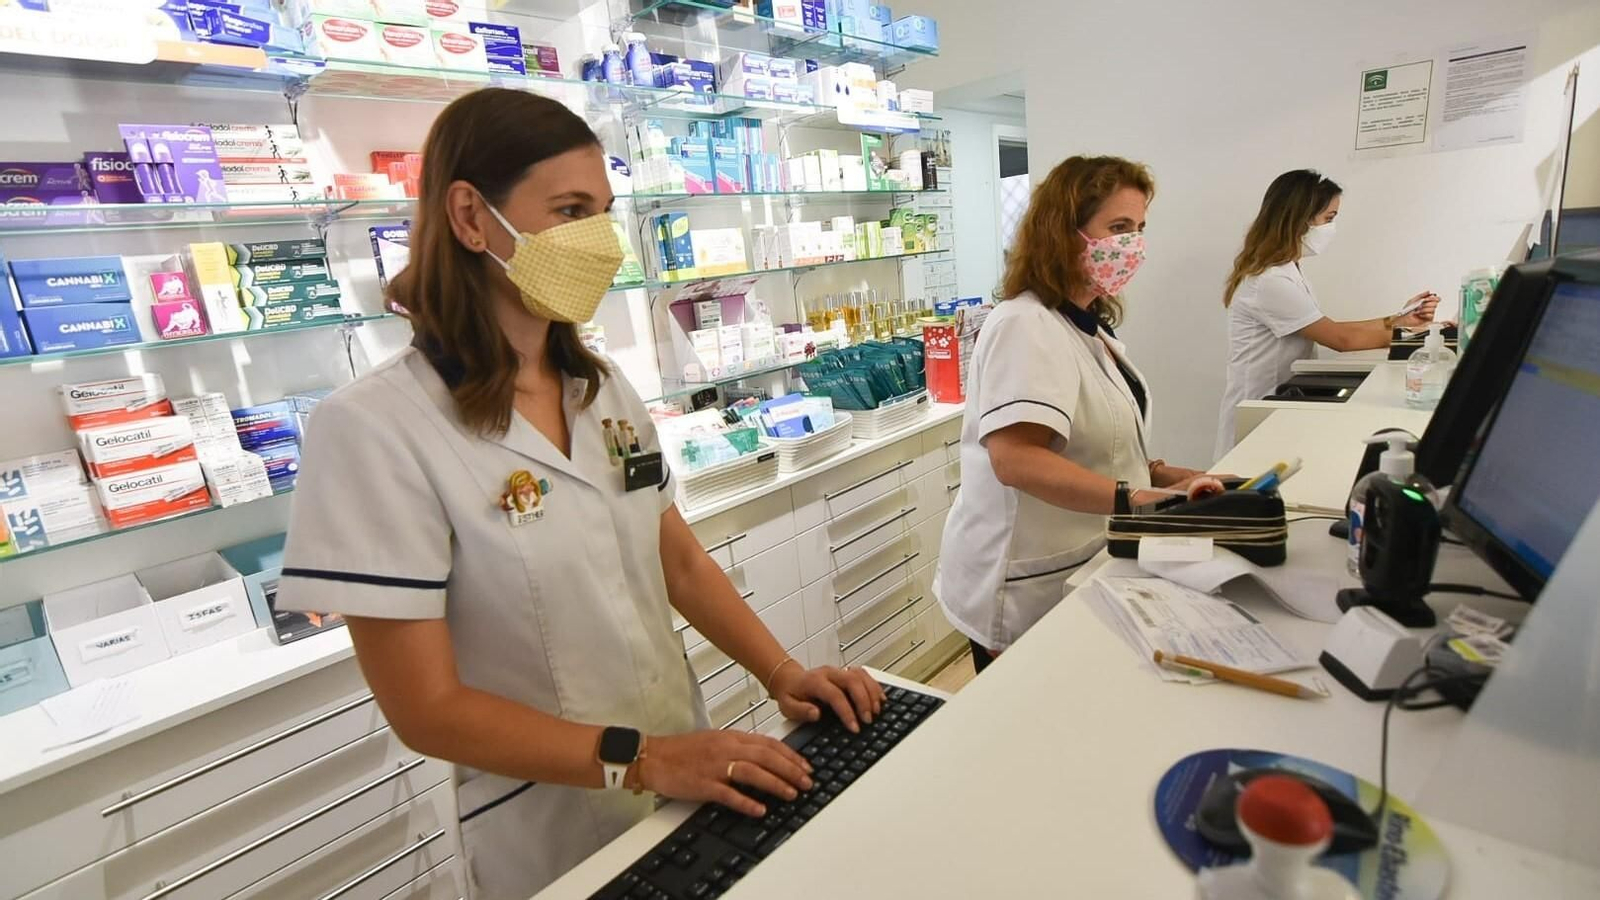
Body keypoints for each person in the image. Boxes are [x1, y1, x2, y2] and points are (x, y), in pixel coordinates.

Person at [276, 89, 884, 899]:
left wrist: (781, 671)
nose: (599, 242)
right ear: (470, 217)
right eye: (569, 210)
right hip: (547, 826)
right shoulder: (373, 428)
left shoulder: (600, 388)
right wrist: (645, 758)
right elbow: (426, 708)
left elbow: (676, 558)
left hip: (683, 776)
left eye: (602, 211)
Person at [935, 155, 1214, 674]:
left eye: (1140, 229)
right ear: (1064, 234)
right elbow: (1017, 460)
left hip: (1083, 565)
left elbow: (1090, 440)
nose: (1132, 245)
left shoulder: (1088, 329)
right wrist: (1138, 498)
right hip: (1021, 585)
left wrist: (1162, 475)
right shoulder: (1024, 325)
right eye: (1118, 228)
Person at [1215, 170, 1439, 458]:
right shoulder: (1270, 282)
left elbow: (1325, 327)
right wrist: (1405, 332)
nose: (1331, 228)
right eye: (1328, 219)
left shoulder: (1289, 270)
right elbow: (1340, 339)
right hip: (1258, 410)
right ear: (1299, 219)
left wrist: (1398, 320)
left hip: (1280, 403)